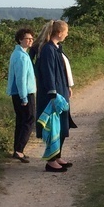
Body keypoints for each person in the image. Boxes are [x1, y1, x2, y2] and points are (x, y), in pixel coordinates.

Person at [33, 19, 71, 172]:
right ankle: (50, 161)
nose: (67, 35)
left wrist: (67, 87)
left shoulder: (55, 48)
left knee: (62, 125)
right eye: (66, 32)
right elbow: (48, 72)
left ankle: (57, 155)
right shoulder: (48, 49)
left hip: (61, 90)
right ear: (59, 33)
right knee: (53, 127)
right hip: (54, 93)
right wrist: (53, 92)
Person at [6, 27, 36, 162]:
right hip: (24, 93)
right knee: (29, 120)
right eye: (27, 39)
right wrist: (24, 97)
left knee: (21, 120)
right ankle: (19, 150)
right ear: (20, 40)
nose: (30, 41)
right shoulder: (21, 57)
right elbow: (21, 78)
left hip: (20, 93)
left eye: (31, 38)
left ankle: (17, 150)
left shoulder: (20, 53)